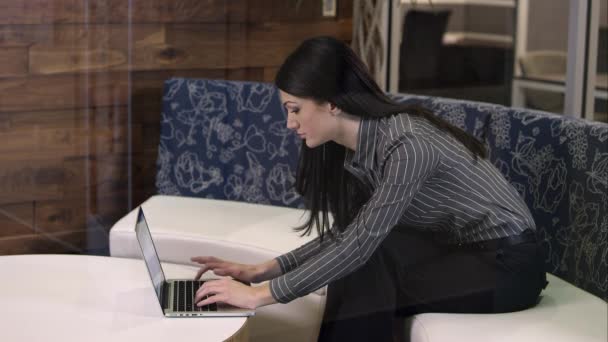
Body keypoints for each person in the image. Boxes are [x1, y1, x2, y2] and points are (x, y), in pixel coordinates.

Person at [191, 36, 548, 342]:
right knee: (366, 260)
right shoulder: (363, 150)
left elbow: (358, 246)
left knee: (363, 265)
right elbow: (352, 233)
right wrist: (262, 271)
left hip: (508, 267)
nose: (290, 123)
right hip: (462, 253)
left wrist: (259, 296)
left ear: (331, 102)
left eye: (294, 109)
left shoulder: (407, 146)